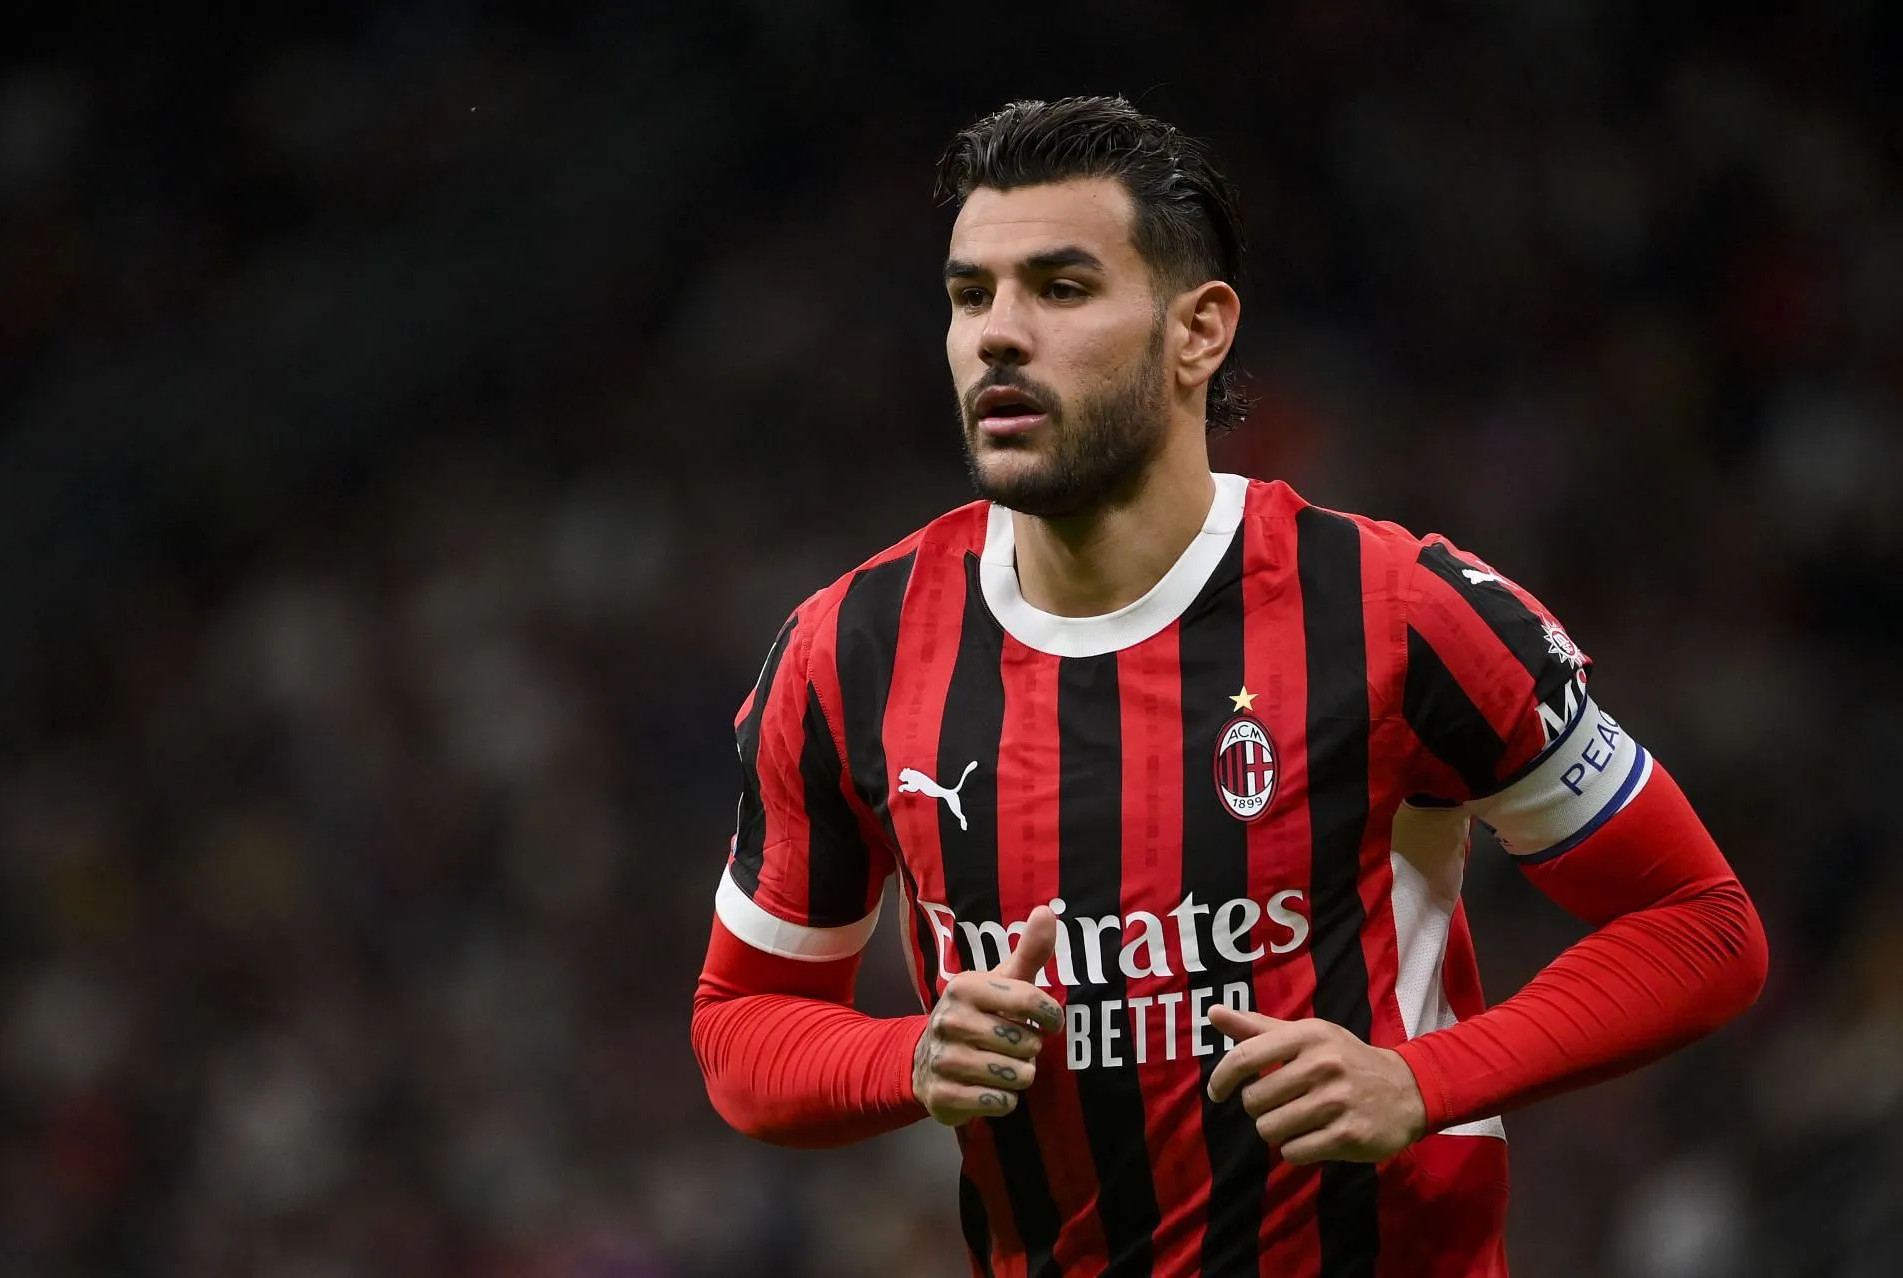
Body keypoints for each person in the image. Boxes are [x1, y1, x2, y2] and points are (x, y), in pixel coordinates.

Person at [690, 95, 1768, 1277]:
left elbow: (1702, 929)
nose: (998, 333)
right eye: (969, 294)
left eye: (1059, 288)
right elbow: (740, 1031)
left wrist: (1421, 1080)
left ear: (1198, 331)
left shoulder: (1401, 609)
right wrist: (904, 1062)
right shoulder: (850, 648)